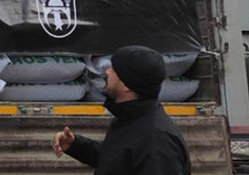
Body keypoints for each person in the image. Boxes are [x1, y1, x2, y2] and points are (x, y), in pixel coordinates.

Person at [52, 45, 191, 174]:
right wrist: (75, 145)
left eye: (114, 69)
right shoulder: (131, 120)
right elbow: (116, 161)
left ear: (127, 85)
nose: (107, 71)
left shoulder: (157, 142)